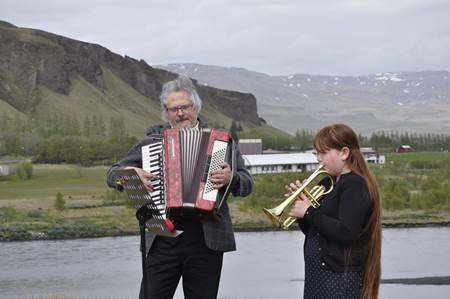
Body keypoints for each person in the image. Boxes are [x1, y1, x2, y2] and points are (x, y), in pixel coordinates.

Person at [106, 74, 253, 299]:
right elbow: (112, 173)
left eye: (185, 107)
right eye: (173, 109)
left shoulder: (221, 141)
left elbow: (247, 183)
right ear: (166, 112)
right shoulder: (152, 142)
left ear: (196, 107)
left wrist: (230, 178)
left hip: (206, 238)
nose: (180, 113)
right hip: (162, 234)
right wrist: (128, 175)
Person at [287, 124, 382, 299]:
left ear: (344, 153)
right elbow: (313, 230)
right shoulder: (327, 183)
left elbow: (347, 231)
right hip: (318, 273)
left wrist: (309, 212)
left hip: (339, 276)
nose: (318, 159)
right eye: (316, 153)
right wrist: (303, 210)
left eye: (323, 153)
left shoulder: (355, 184)